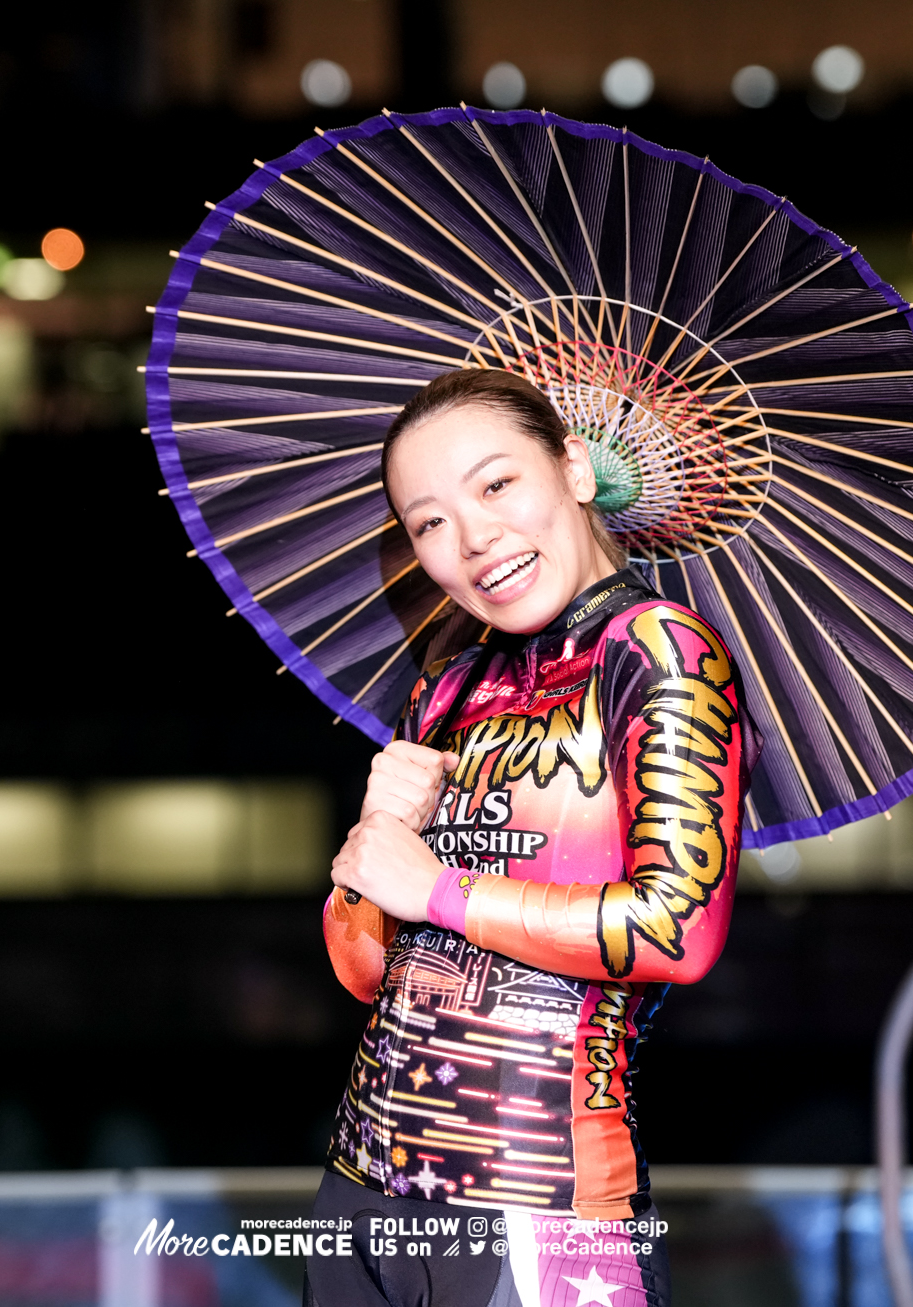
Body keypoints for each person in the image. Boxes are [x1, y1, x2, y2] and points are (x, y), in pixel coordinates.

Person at [306, 368, 747, 1306]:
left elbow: (680, 928)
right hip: (359, 1193)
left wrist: (438, 891)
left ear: (575, 469)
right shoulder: (449, 683)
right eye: (427, 522)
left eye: (495, 485)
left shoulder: (661, 650)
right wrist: (376, 842)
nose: (471, 540)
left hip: (542, 1206)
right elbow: (368, 975)